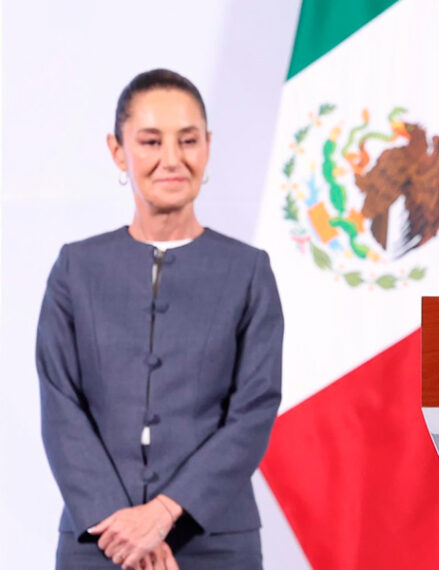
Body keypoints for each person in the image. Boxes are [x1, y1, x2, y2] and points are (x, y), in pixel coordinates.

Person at [36, 69, 283, 569]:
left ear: (207, 147)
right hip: (99, 540)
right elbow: (60, 405)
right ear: (117, 150)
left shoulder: (247, 271)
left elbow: (254, 410)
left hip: (216, 540)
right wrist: (120, 525)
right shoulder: (75, 268)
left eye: (188, 140)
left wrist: (164, 514)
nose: (172, 159)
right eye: (150, 141)